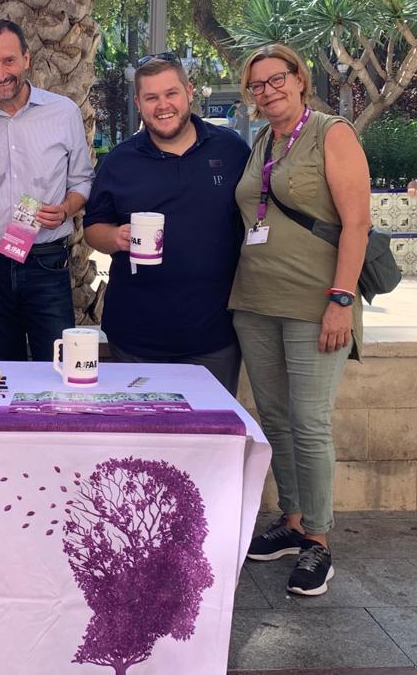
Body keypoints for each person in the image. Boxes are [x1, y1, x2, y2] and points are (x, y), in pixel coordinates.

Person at [229, 43, 371, 597]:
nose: (267, 91)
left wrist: (342, 299)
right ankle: (290, 522)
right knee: (276, 418)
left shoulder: (331, 133)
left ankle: (318, 540)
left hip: (316, 303)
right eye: (257, 84)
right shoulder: (262, 141)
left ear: (299, 79)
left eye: (276, 79)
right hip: (255, 301)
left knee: (310, 422)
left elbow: (356, 224)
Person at [83, 53, 250, 394]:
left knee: (212, 427)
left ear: (189, 92)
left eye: (171, 93)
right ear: (138, 103)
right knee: (143, 427)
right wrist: (115, 236)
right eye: (151, 97)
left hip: (215, 335)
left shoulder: (231, 150)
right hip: (136, 337)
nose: (163, 106)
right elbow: (93, 229)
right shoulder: (119, 161)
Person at [0, 19, 95, 361]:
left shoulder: (63, 112)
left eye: (8, 61)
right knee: (2, 367)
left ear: (26, 59)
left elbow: (82, 180)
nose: (0, 73)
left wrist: (66, 209)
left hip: (46, 261)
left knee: (57, 364)